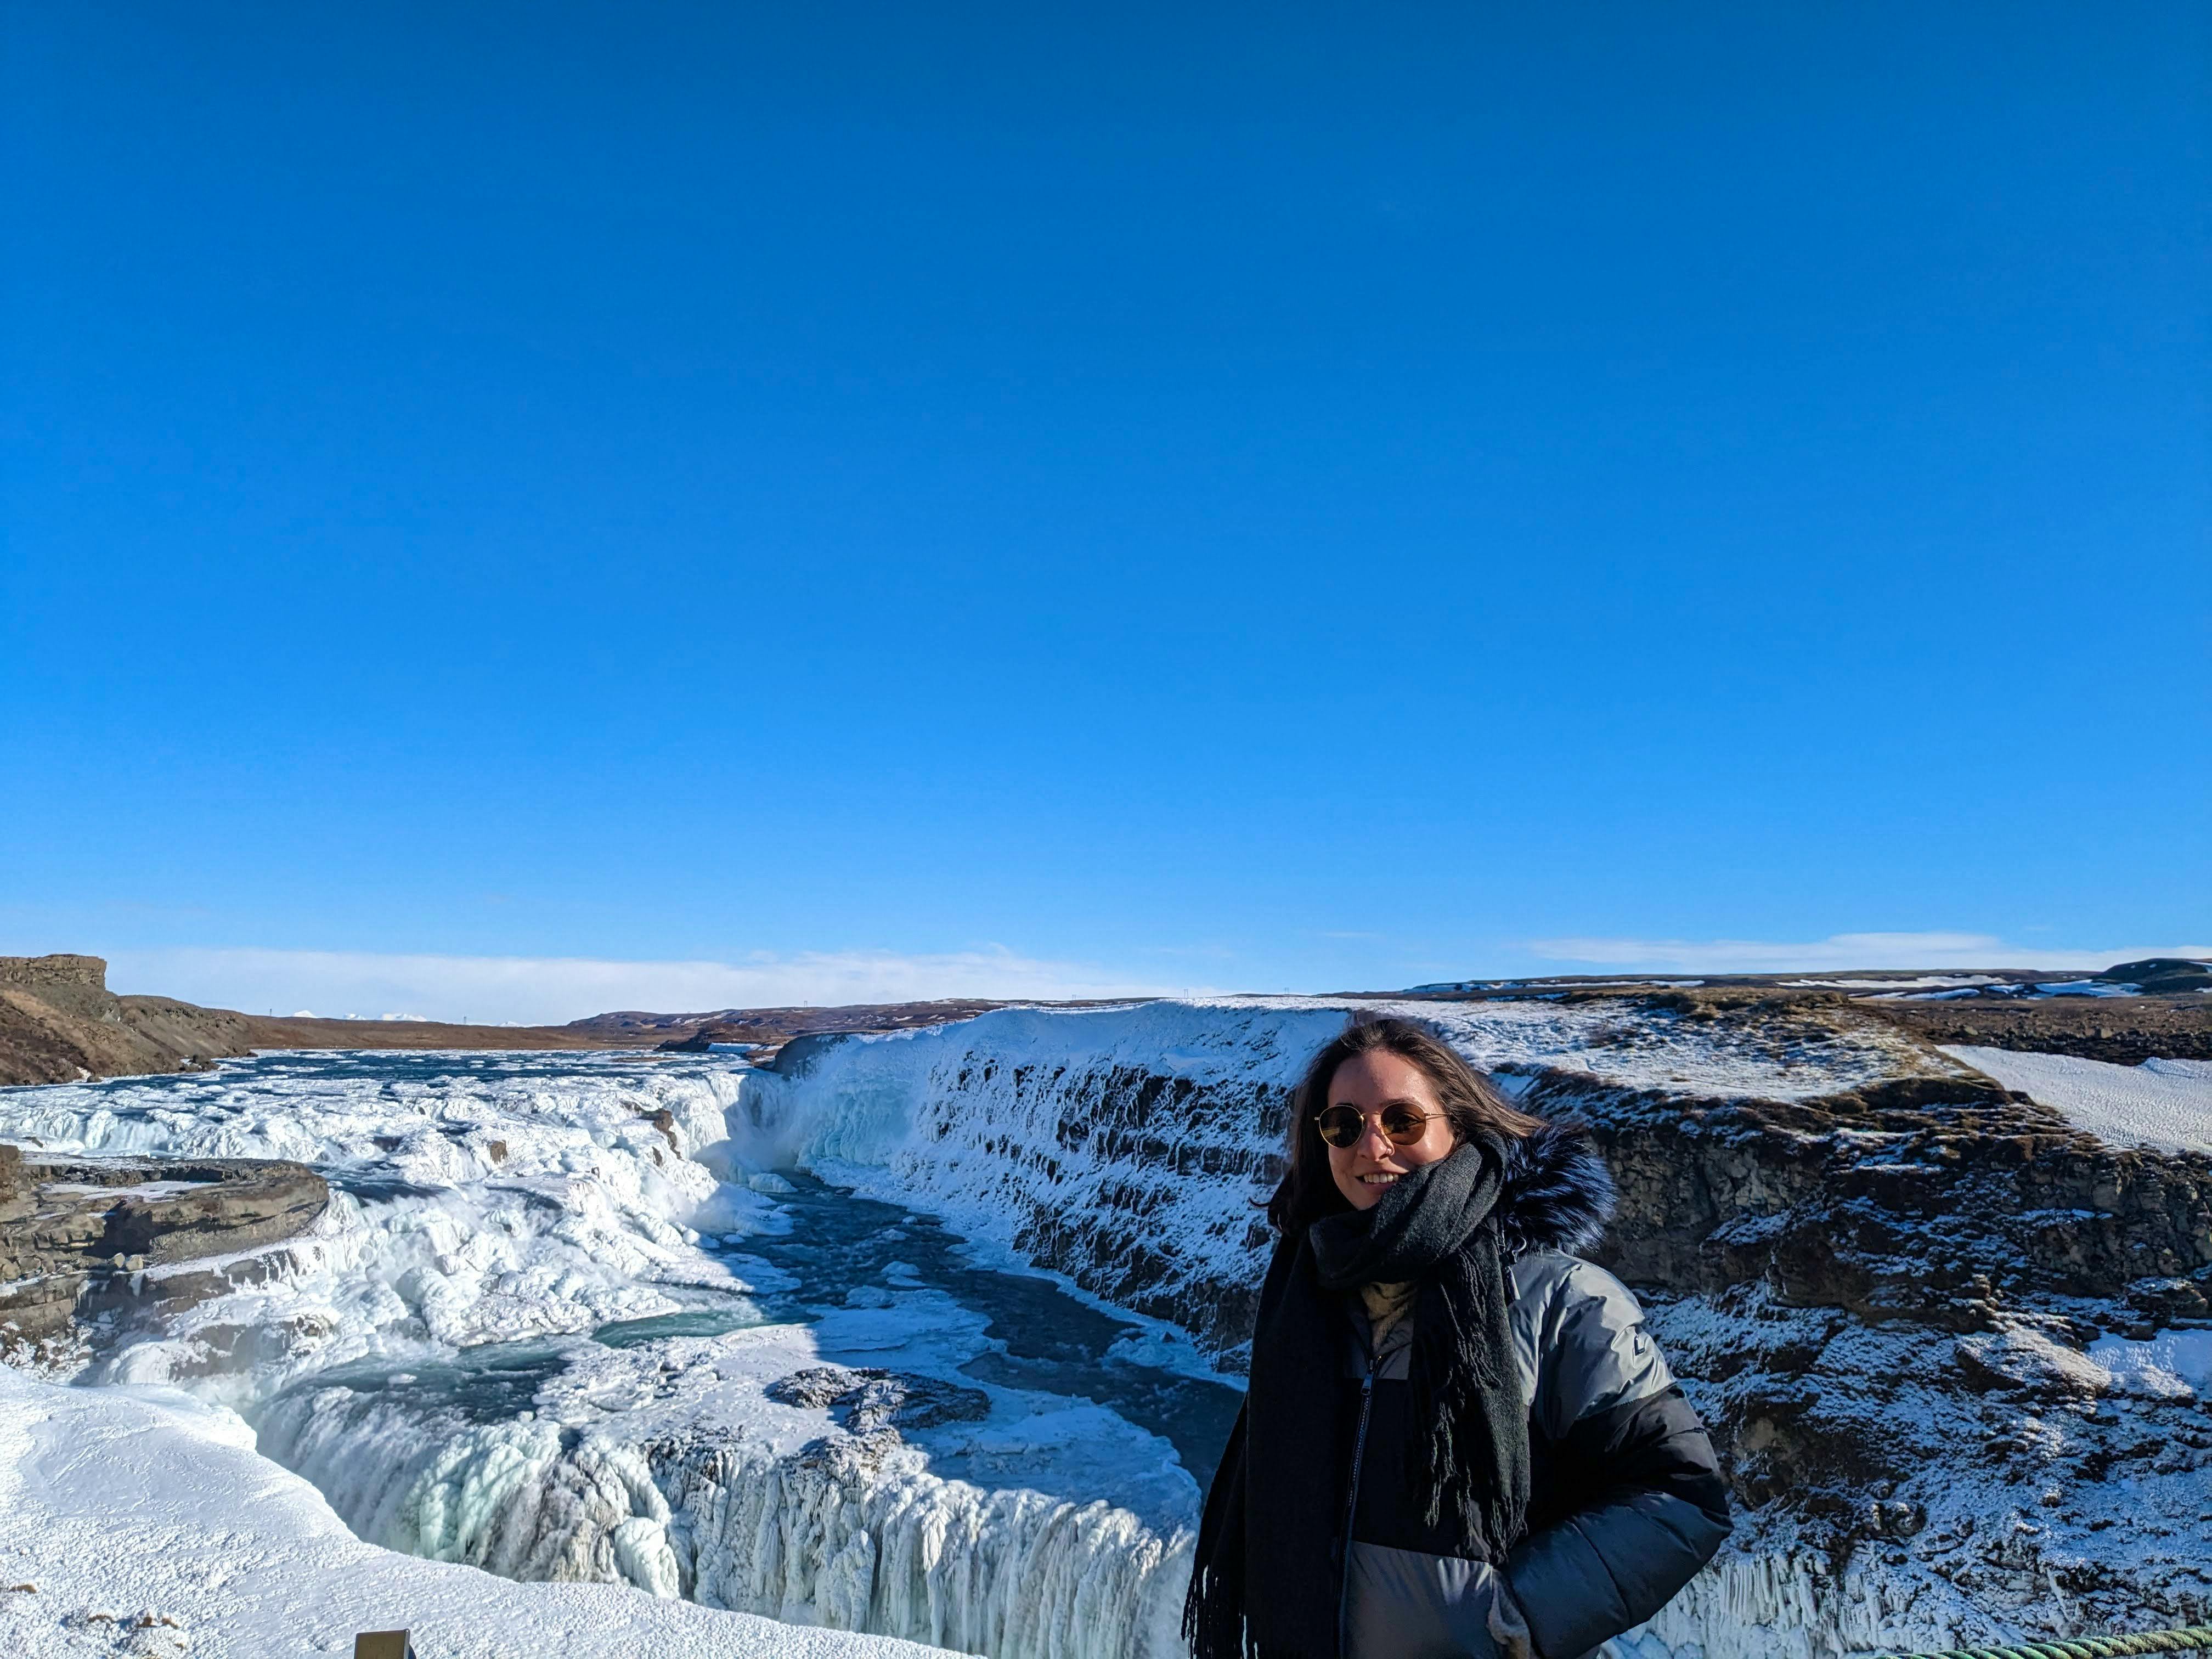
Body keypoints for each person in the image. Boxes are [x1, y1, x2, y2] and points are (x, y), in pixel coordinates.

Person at [1185, 1014, 1730, 1659]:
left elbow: (1681, 1496)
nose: (1373, 1146)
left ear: (1461, 1128)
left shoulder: (1557, 1301)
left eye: (1402, 1121)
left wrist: (1509, 1620)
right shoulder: (1311, 1303)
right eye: (1344, 1124)